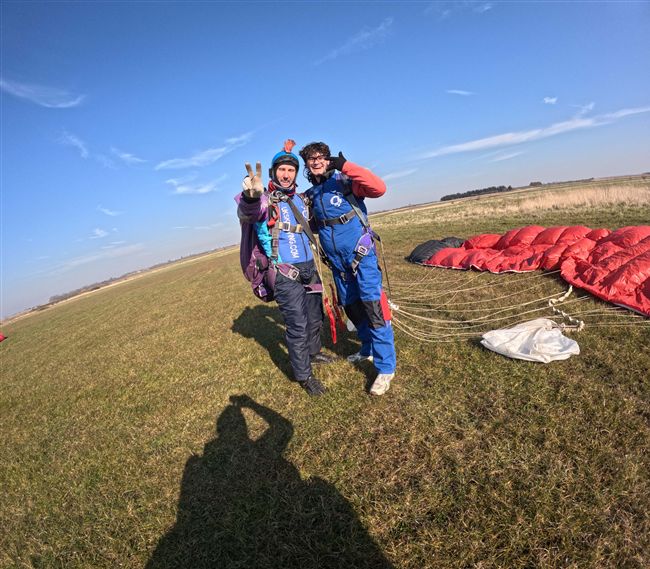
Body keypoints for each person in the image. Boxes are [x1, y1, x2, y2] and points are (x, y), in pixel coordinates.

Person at [236, 140, 335, 396]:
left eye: (291, 170)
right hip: (283, 272)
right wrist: (250, 196)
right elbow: (248, 212)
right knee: (297, 324)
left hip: (309, 268)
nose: (286, 174)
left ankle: (313, 352)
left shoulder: (301, 200)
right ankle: (304, 375)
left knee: (315, 317)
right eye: (282, 169)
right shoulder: (263, 201)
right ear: (273, 172)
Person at [299, 142, 397, 395]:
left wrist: (346, 166)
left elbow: (379, 188)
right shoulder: (311, 195)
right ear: (307, 164)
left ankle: (386, 367)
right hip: (338, 265)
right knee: (353, 308)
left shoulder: (345, 181)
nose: (316, 161)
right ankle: (367, 349)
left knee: (373, 308)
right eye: (311, 159)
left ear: (328, 159)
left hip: (361, 257)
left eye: (321, 157)